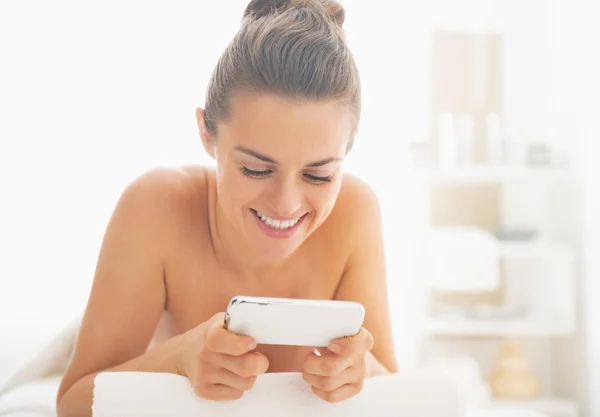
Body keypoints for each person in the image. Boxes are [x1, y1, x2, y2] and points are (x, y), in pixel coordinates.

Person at [56, 0, 397, 415]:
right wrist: (178, 359)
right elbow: (72, 403)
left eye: (318, 175)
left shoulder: (355, 212)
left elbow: (397, 392)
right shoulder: (157, 207)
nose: (286, 205)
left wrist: (364, 372)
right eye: (255, 169)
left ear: (348, 149)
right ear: (206, 134)